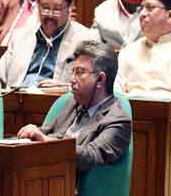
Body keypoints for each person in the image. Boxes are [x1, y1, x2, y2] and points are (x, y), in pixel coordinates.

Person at [17, 40, 132, 184]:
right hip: (44, 178)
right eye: (73, 71)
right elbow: (48, 132)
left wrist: (49, 143)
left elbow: (91, 156)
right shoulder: (73, 102)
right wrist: (31, 134)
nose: (72, 79)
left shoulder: (117, 120)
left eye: (80, 72)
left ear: (100, 79)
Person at [0, 0, 95, 88]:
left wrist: (66, 88)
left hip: (56, 102)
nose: (50, 14)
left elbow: (91, 86)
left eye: (57, 9)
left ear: (70, 6)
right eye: (45, 7)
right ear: (37, 4)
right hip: (17, 101)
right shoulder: (20, 36)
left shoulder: (85, 40)